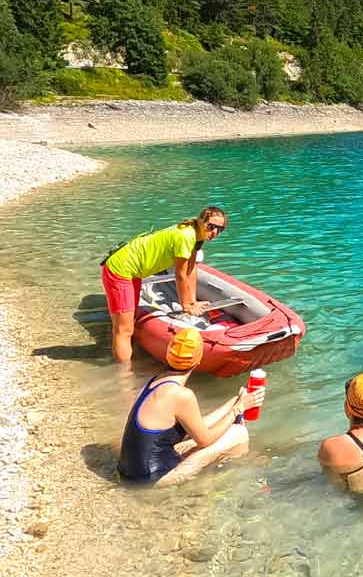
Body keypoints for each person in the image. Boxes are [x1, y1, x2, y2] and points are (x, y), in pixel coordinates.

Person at [117, 327, 263, 487]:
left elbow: (197, 428)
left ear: (168, 355)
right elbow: (205, 440)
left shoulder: (155, 382)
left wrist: (237, 401)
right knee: (238, 433)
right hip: (152, 480)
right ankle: (223, 481)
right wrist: (239, 409)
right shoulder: (181, 395)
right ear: (198, 361)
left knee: (213, 431)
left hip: (131, 472)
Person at [101, 206, 229, 363]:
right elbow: (181, 275)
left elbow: (190, 271)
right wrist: (186, 305)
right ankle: (124, 374)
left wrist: (193, 301)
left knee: (130, 319)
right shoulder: (186, 236)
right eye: (211, 226)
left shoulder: (197, 235)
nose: (215, 232)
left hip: (133, 270)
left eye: (220, 229)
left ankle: (129, 354)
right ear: (201, 221)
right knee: (124, 329)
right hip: (120, 269)